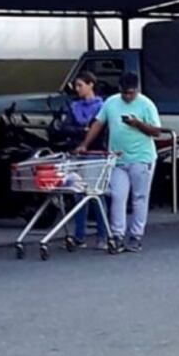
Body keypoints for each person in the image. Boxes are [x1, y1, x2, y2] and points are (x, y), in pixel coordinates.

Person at [78, 73, 162, 253]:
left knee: (139, 197)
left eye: (131, 93)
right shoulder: (111, 103)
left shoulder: (146, 104)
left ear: (137, 90)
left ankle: (136, 235)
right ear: (119, 90)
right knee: (117, 196)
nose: (127, 96)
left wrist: (137, 123)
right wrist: (85, 144)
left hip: (142, 158)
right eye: (124, 93)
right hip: (117, 158)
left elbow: (156, 131)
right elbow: (98, 124)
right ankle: (117, 235)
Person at [62, 72, 108, 249]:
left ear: (91, 85)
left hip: (96, 153)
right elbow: (65, 128)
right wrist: (83, 130)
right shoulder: (74, 106)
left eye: (80, 85)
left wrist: (81, 131)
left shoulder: (102, 106)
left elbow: (101, 129)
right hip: (78, 153)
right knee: (78, 194)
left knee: (96, 194)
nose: (77, 89)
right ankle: (79, 235)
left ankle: (103, 235)